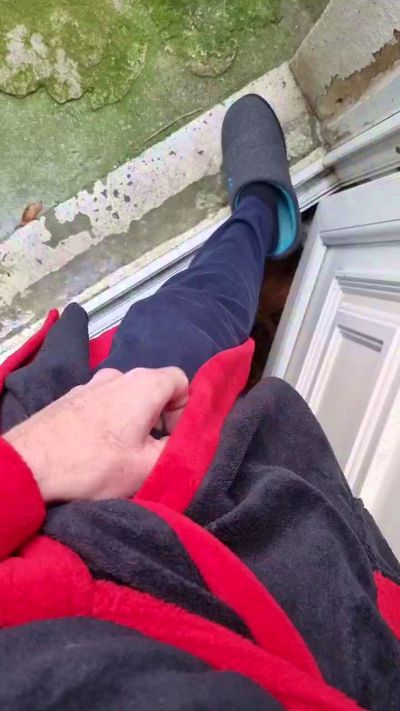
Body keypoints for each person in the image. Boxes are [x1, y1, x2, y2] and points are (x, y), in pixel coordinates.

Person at [0, 96, 399, 711]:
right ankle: (259, 215)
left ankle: (257, 219)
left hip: (38, 509)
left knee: (174, 330)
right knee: (181, 339)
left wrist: (29, 463)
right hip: (304, 607)